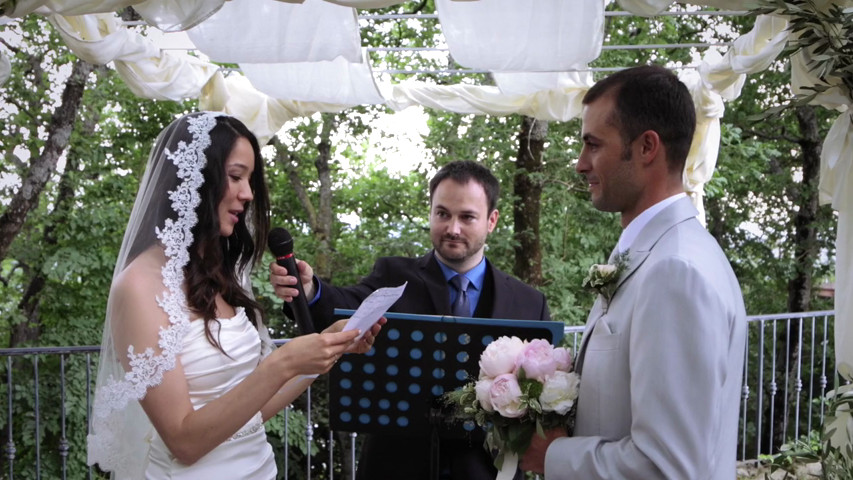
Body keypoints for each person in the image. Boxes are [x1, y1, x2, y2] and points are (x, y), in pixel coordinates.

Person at [87, 112, 382, 479]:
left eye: (250, 179)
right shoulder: (138, 287)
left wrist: (328, 343)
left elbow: (250, 409)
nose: (248, 193)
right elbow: (184, 441)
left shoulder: (217, 274)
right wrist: (282, 362)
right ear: (194, 178)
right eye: (235, 176)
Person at [519, 65, 747, 479]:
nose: (580, 164)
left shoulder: (677, 271)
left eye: (593, 145)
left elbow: (668, 467)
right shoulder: (652, 253)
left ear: (646, 147)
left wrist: (552, 456)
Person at [270, 160, 550, 480]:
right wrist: (309, 291)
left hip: (487, 470)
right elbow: (345, 309)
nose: (452, 228)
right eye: (442, 213)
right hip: (396, 467)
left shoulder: (530, 303)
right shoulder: (392, 274)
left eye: (467, 217)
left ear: (492, 220)